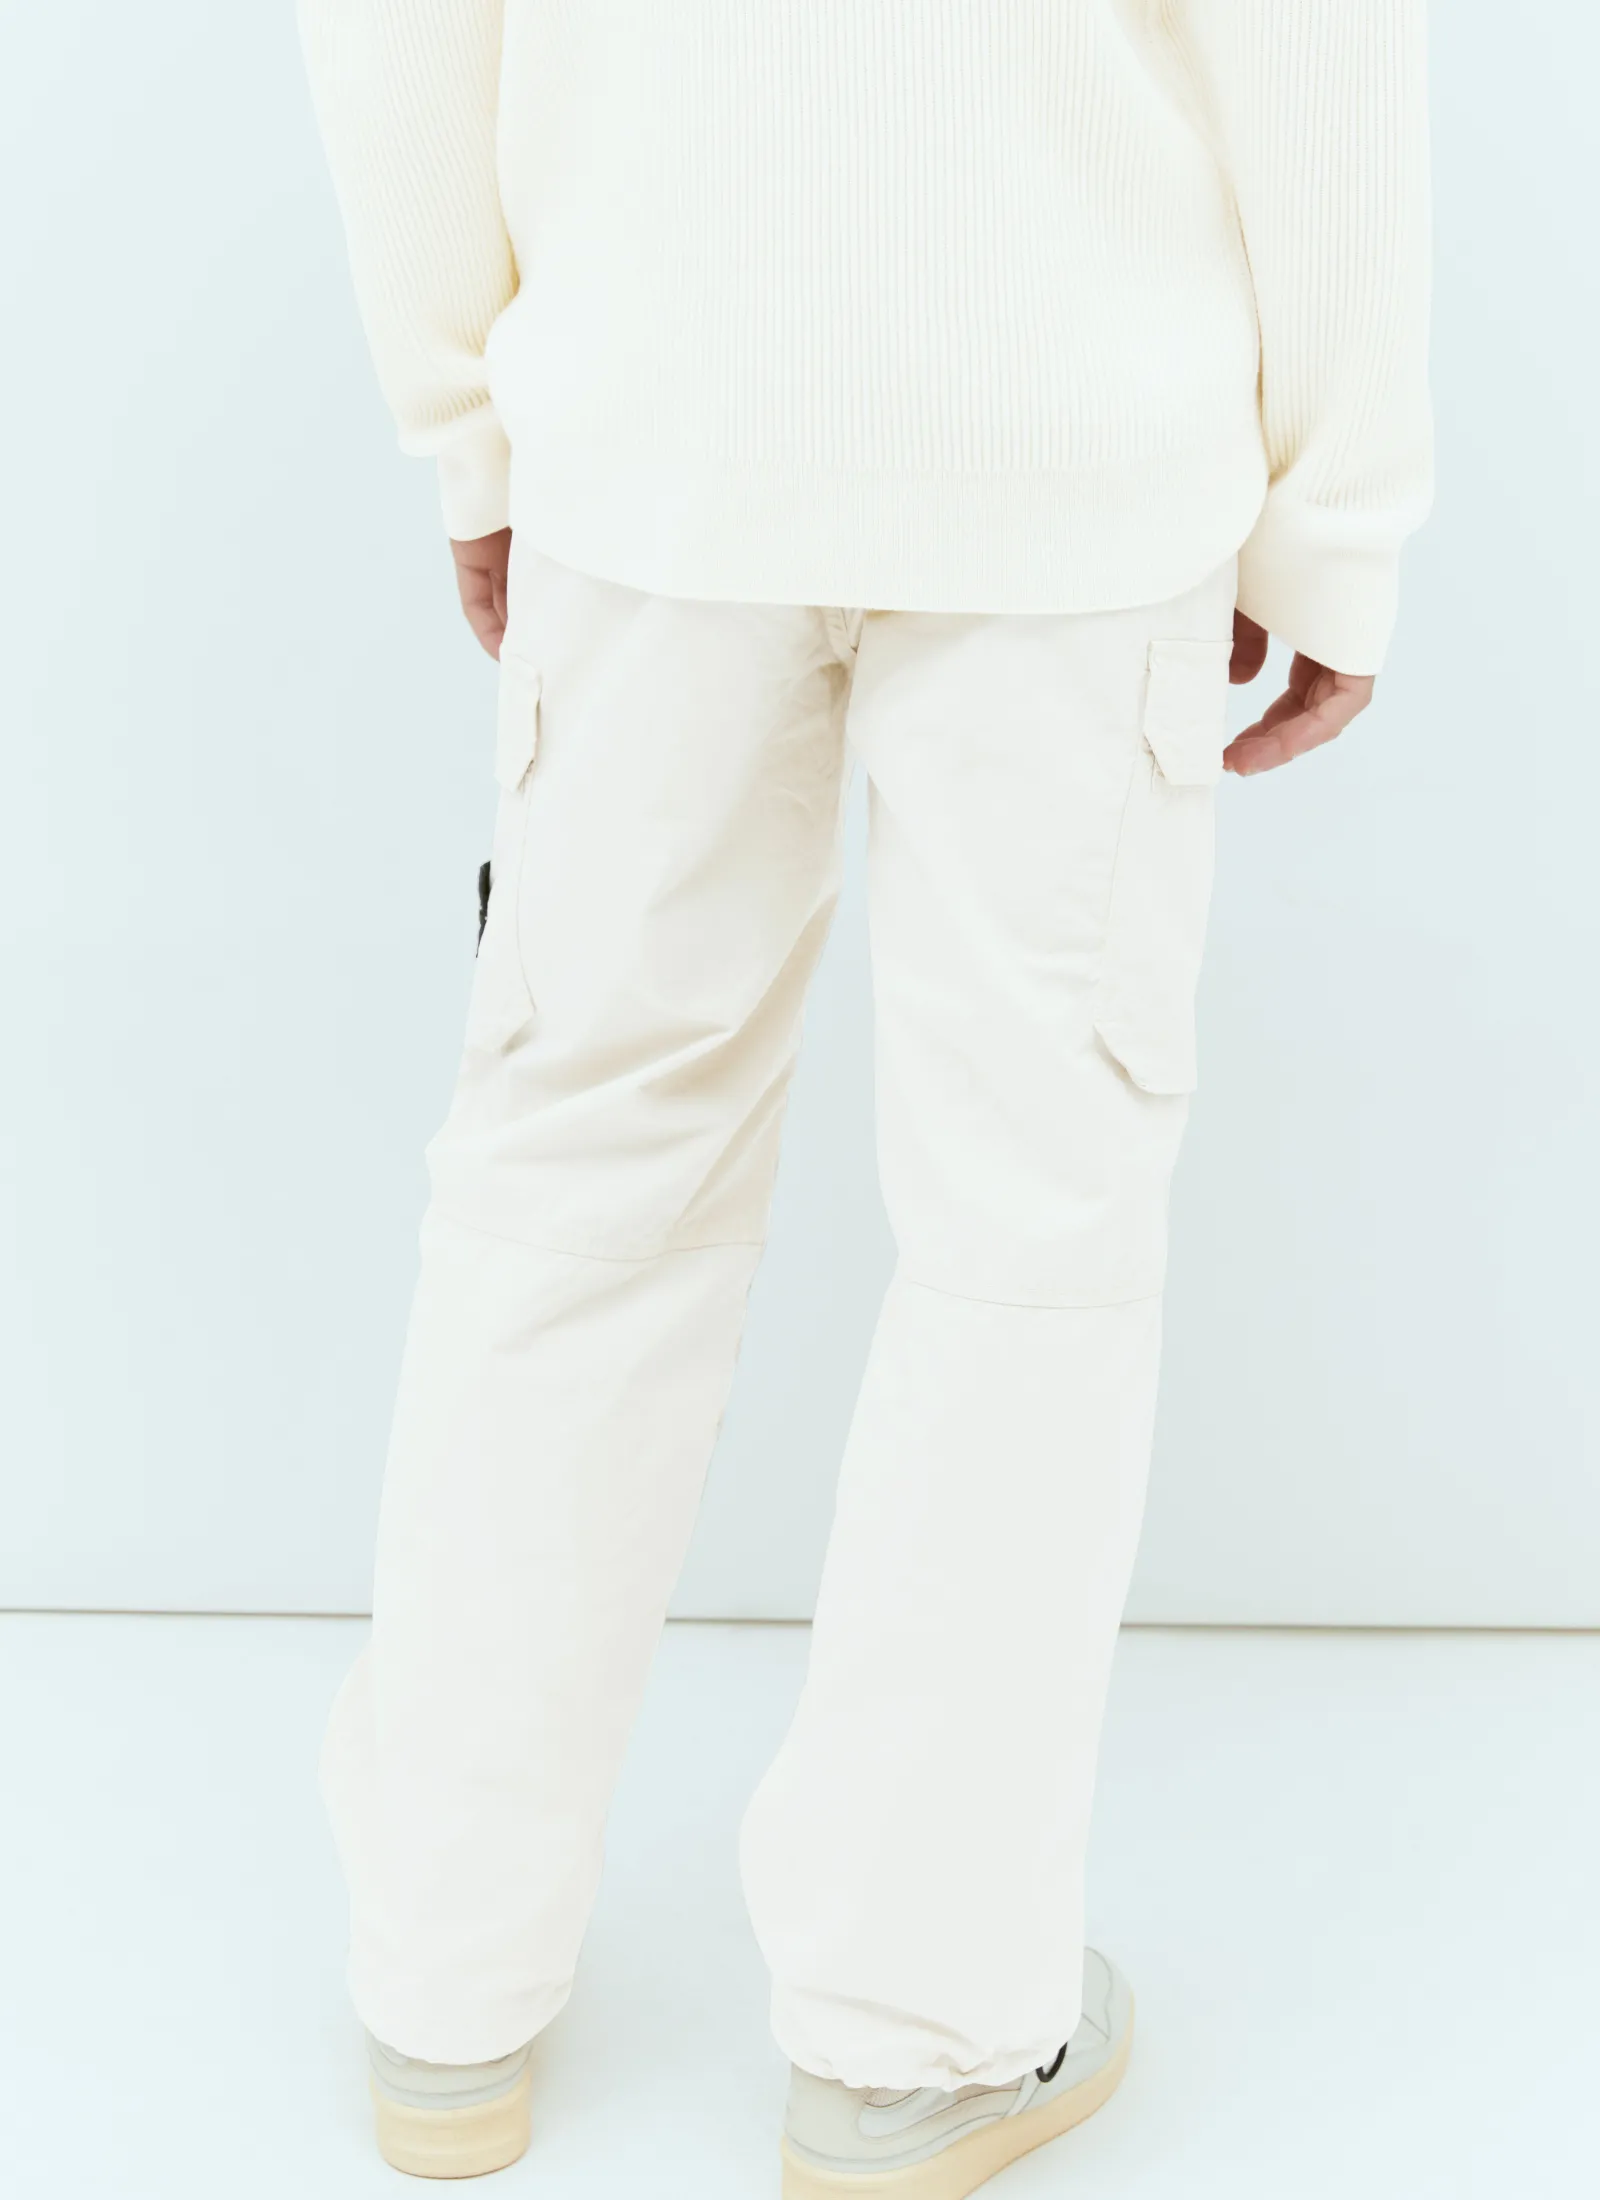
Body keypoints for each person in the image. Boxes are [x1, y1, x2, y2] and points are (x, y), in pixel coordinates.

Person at [297, 3, 1431, 2189]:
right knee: (1030, 1236)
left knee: (572, 1183)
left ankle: (443, 1983)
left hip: (653, 419)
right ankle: (912, 2030)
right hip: (1067, 447)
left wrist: (473, 419)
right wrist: (1337, 514)